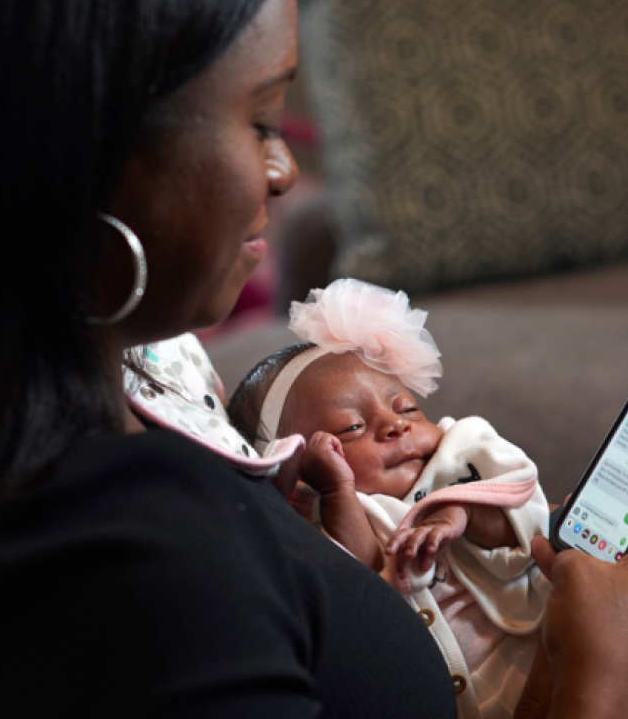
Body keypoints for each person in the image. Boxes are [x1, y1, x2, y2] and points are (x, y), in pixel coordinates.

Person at [0, 0, 628, 717]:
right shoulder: (126, 555)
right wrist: (607, 680)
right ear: (91, 151)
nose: (284, 171)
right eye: (263, 120)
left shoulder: (109, 443)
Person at [227, 277, 551, 719]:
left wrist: (457, 513)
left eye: (406, 409)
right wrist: (339, 493)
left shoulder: (462, 453)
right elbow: (365, 584)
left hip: (540, 665)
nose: (394, 426)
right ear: (299, 470)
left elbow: (527, 511)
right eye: (351, 428)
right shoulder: (330, 516)